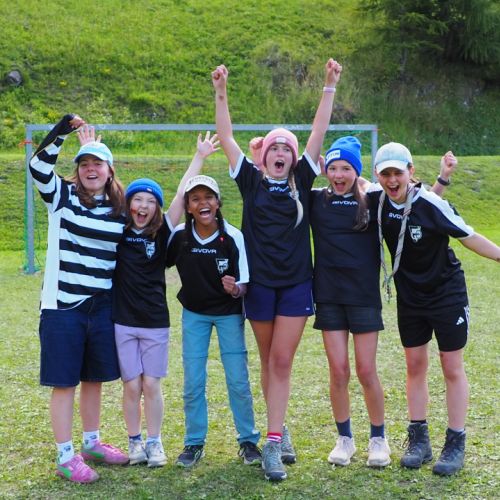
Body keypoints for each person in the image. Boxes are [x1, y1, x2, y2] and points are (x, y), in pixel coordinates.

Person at [212, 58, 342, 481]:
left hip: (296, 285)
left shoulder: (302, 179)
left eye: (287, 148)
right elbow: (226, 136)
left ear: (294, 156)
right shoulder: (250, 181)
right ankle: (279, 428)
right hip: (260, 287)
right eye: (275, 148)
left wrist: (328, 85)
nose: (281, 153)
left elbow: (319, 131)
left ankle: (270, 444)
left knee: (282, 361)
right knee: (269, 361)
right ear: (265, 156)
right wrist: (220, 90)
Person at [373, 142, 500, 476]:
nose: (392, 180)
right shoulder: (376, 200)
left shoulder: (432, 203)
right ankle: (419, 441)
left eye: (397, 173)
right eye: (385, 174)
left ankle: (455, 442)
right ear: (378, 176)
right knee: (415, 364)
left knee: (451, 364)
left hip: (446, 294)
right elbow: (344, 184)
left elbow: (468, 235)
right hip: (410, 298)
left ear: (410, 172)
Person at [29, 114, 128, 483]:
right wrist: (63, 131)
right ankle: (65, 456)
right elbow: (38, 166)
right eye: (84, 164)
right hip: (63, 307)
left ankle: (91, 443)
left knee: (94, 378)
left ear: (110, 170)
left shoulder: (120, 209)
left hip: (101, 307)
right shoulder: (63, 197)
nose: (90, 169)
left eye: (97, 163)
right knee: (65, 382)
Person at [112, 133, 220, 468]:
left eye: (150, 201)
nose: (143, 206)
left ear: (156, 208)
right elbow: (104, 189)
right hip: (123, 321)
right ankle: (134, 441)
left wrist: (199, 156)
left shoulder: (162, 232)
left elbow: (181, 193)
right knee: (132, 385)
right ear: (128, 205)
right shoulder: (118, 230)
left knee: (151, 384)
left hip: (155, 322)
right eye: (137, 200)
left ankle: (155, 442)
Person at [166, 175, 261, 468]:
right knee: (193, 381)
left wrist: (235, 289)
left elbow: (244, 284)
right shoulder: (179, 236)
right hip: (194, 314)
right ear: (188, 207)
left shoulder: (233, 237)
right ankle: (194, 442)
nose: (203, 203)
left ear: (218, 203)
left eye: (208, 197)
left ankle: (248, 441)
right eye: (195, 199)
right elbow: (155, 263)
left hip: (228, 314)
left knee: (238, 380)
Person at [310, 136, 390, 468]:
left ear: (356, 171)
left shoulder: (372, 199)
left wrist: (442, 179)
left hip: (363, 296)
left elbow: (414, 200)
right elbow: (284, 182)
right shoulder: (316, 199)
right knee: (339, 370)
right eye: (333, 168)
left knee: (366, 370)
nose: (338, 175)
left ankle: (378, 439)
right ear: (325, 170)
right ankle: (345, 439)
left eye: (346, 168)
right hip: (329, 295)